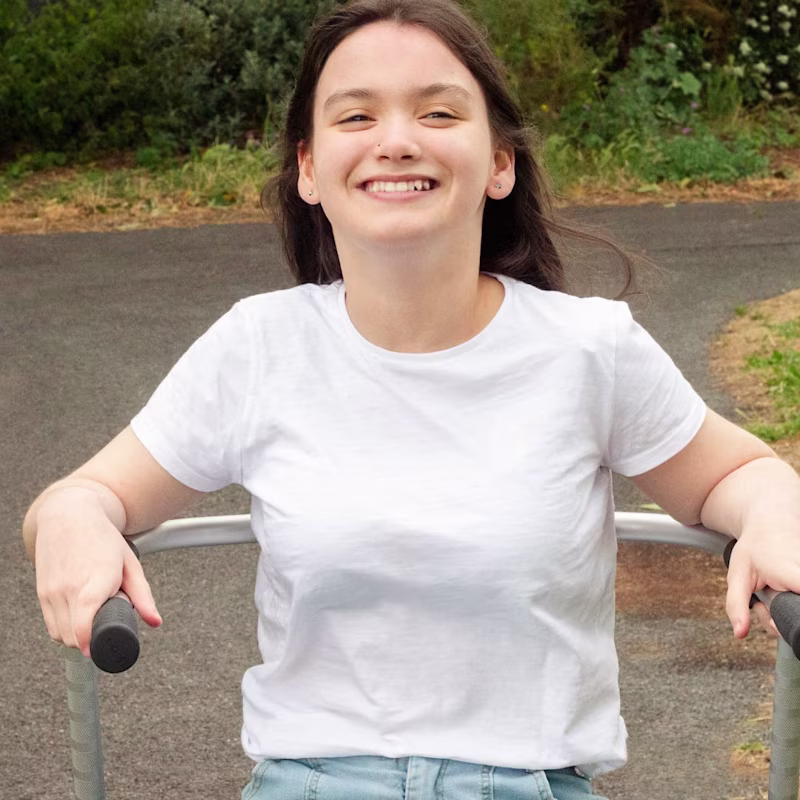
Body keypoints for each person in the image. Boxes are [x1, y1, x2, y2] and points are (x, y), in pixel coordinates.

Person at [23, 1, 800, 798]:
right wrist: (74, 519)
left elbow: (734, 476)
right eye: (356, 115)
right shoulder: (260, 348)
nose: (395, 140)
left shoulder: (589, 350)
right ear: (308, 168)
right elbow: (84, 495)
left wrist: (775, 508)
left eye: (438, 112)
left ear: (499, 162)